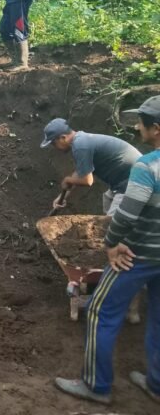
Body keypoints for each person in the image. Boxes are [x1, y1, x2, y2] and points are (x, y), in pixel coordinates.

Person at [54, 95, 160, 406]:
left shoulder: (147, 165)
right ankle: (156, 383)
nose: (137, 127)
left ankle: (96, 386)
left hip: (139, 255)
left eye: (141, 122)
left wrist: (112, 243)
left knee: (100, 311)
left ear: (155, 129)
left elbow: (127, 214)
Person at [40, 118, 141, 217]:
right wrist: (62, 197)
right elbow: (80, 173)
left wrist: (68, 180)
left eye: (54, 143)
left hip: (135, 181)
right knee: (108, 200)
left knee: (112, 225)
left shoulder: (80, 146)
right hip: (125, 180)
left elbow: (87, 181)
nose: (55, 147)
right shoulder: (81, 140)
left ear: (63, 137)